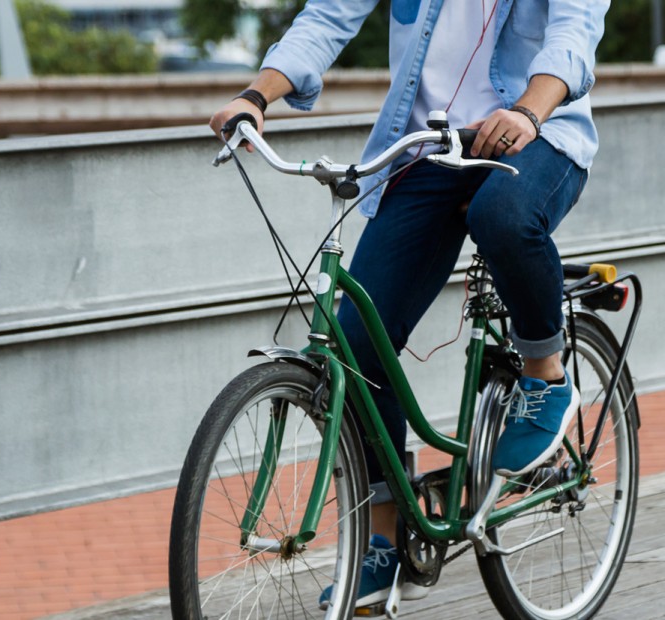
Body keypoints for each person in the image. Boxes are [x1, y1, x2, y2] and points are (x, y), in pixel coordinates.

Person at [209, 0, 609, 609]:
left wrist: (529, 109)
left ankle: (545, 377)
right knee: (355, 342)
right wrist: (256, 97)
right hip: (430, 150)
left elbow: (574, 31)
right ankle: (384, 540)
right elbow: (328, 16)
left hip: (537, 133)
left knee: (502, 216)